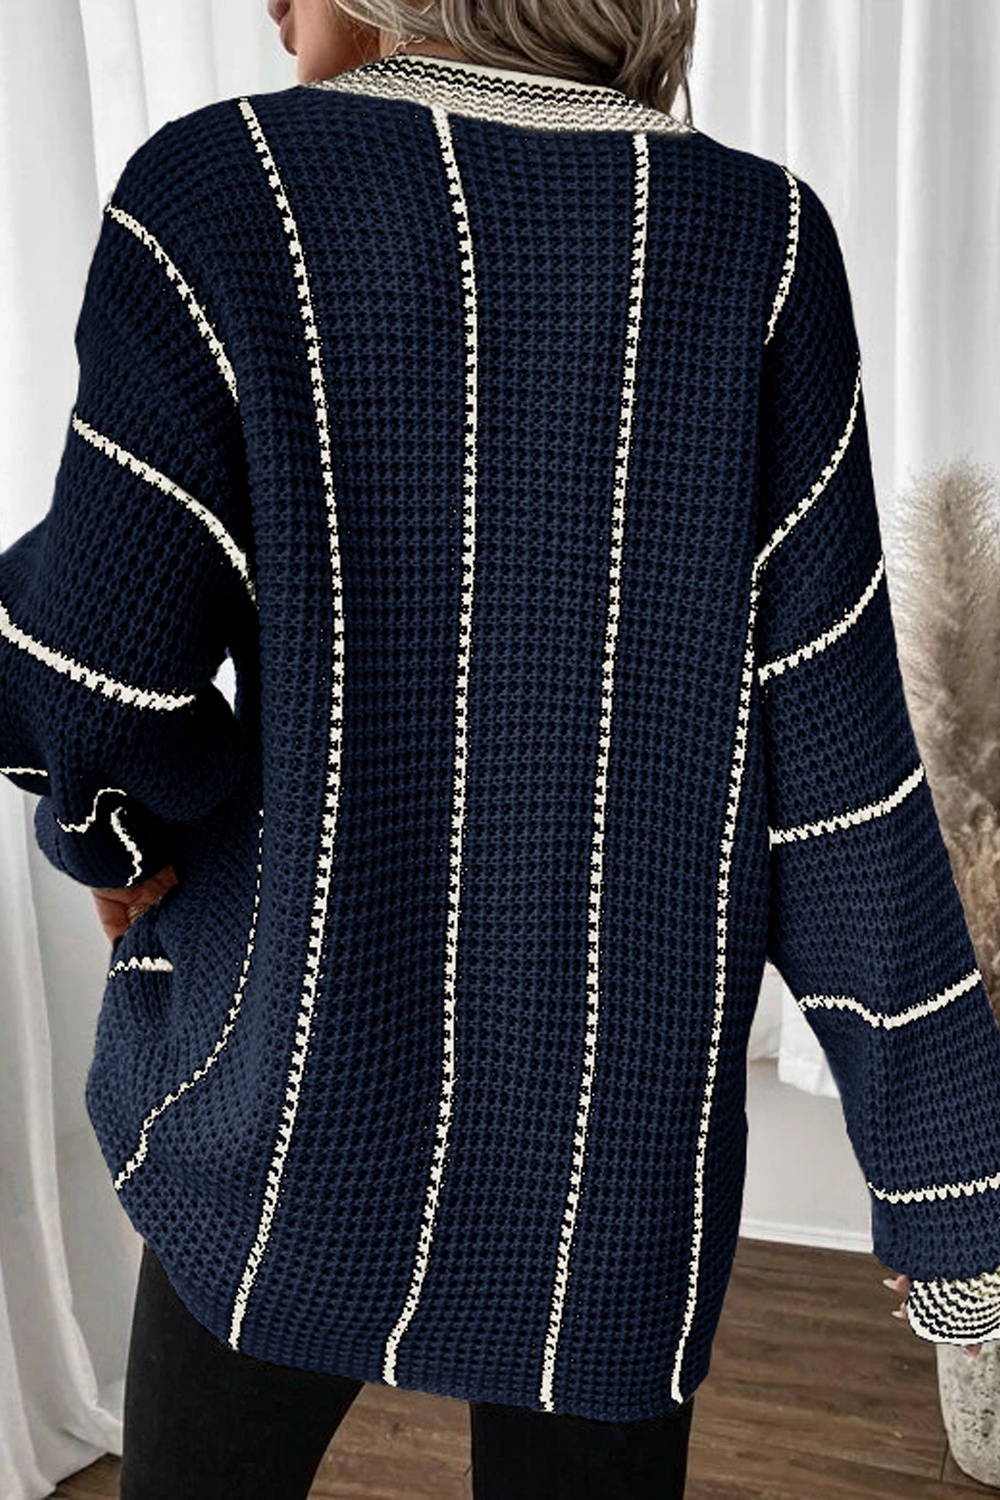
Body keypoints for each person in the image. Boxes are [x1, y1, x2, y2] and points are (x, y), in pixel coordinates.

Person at [2, 0, 998, 1496]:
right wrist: (953, 1183)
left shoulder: (225, 193)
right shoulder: (759, 243)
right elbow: (837, 771)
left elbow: (89, 675)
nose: (269, 6)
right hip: (610, 1169)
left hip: (284, 1122)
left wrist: (121, 832)